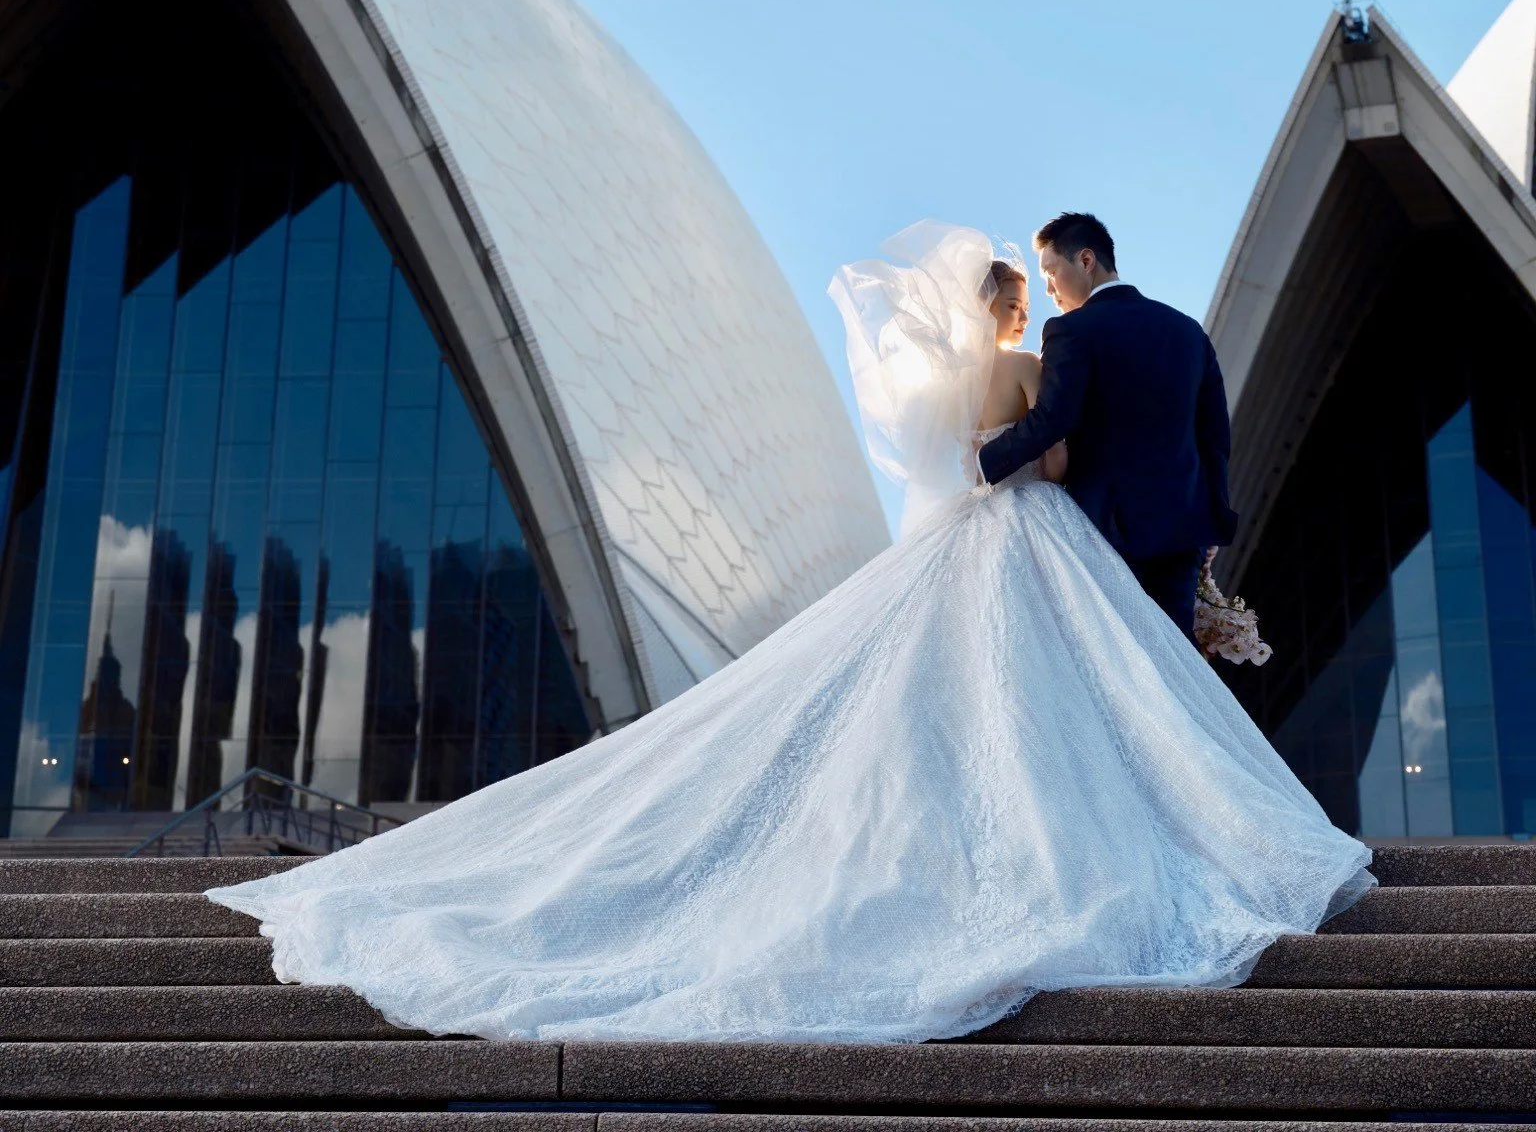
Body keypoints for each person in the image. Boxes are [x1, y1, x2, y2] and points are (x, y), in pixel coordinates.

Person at [207, 220, 1370, 1046]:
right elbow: (1099, 447)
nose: (1046, 300)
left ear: (1061, 267)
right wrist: (1171, 522)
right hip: (1106, 540)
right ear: (1031, 293)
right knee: (1121, 698)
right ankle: (1178, 827)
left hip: (997, 530)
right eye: (1033, 292)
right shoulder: (1127, 341)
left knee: (972, 702)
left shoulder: (1030, 356)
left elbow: (1040, 441)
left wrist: (977, 470)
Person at [977, 212, 1236, 642]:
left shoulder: (1071, 330)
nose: (1048, 288)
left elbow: (1051, 419)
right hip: (1182, 535)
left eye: (1050, 272)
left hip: (1106, 531)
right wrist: (1213, 520)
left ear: (1084, 260)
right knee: (1175, 671)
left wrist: (986, 459)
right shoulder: (1188, 332)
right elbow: (1214, 437)